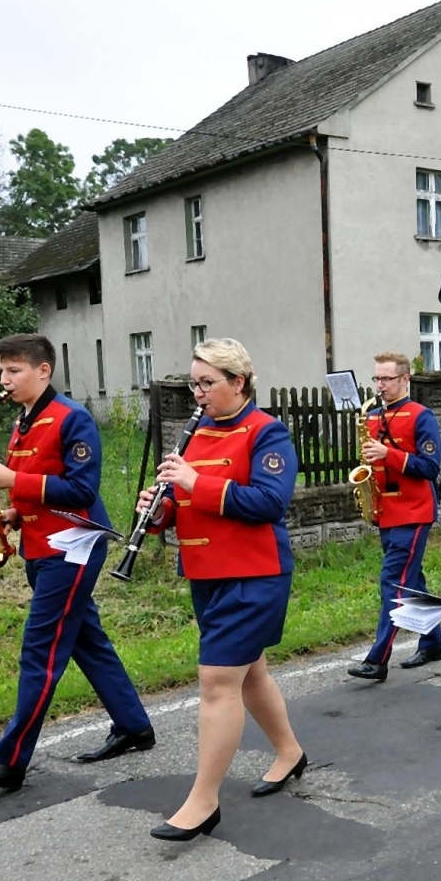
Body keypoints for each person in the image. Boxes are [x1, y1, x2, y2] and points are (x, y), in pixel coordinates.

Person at [0, 335, 155, 792]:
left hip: (73, 547)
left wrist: (12, 479)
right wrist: (11, 511)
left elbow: (81, 491)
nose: (4, 381)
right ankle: (134, 725)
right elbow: (40, 488)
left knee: (39, 653)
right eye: (2, 371)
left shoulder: (72, 419)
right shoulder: (24, 420)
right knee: (86, 640)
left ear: (44, 371)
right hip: (42, 545)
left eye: (14, 370)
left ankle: (8, 760)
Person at [137, 338, 307, 840]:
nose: (199, 393)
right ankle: (290, 752)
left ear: (239, 382)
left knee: (216, 680)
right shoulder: (195, 434)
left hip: (254, 574)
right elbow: (184, 504)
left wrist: (193, 483)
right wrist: (161, 509)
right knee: (249, 674)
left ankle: (203, 800)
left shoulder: (266, 433)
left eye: (208, 383)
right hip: (206, 573)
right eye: (195, 383)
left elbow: (268, 502)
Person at [348, 353, 441, 683]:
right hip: (385, 511)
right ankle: (432, 643)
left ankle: (378, 659)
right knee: (412, 580)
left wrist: (389, 455)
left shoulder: (421, 416)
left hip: (414, 510)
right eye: (376, 379)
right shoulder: (372, 416)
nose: (380, 385)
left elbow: (430, 468)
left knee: (394, 582)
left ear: (405, 380)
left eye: (386, 379)